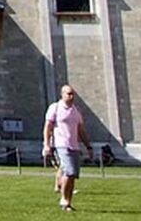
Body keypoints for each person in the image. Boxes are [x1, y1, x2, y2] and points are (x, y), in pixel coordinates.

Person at [44, 83, 90, 212]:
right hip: (61, 145)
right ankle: (63, 200)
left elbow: (80, 130)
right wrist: (46, 144)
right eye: (68, 94)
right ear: (62, 94)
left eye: (72, 94)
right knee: (68, 172)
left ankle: (68, 201)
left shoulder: (75, 111)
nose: (71, 96)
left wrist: (88, 146)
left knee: (73, 175)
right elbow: (47, 127)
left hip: (74, 146)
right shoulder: (55, 108)